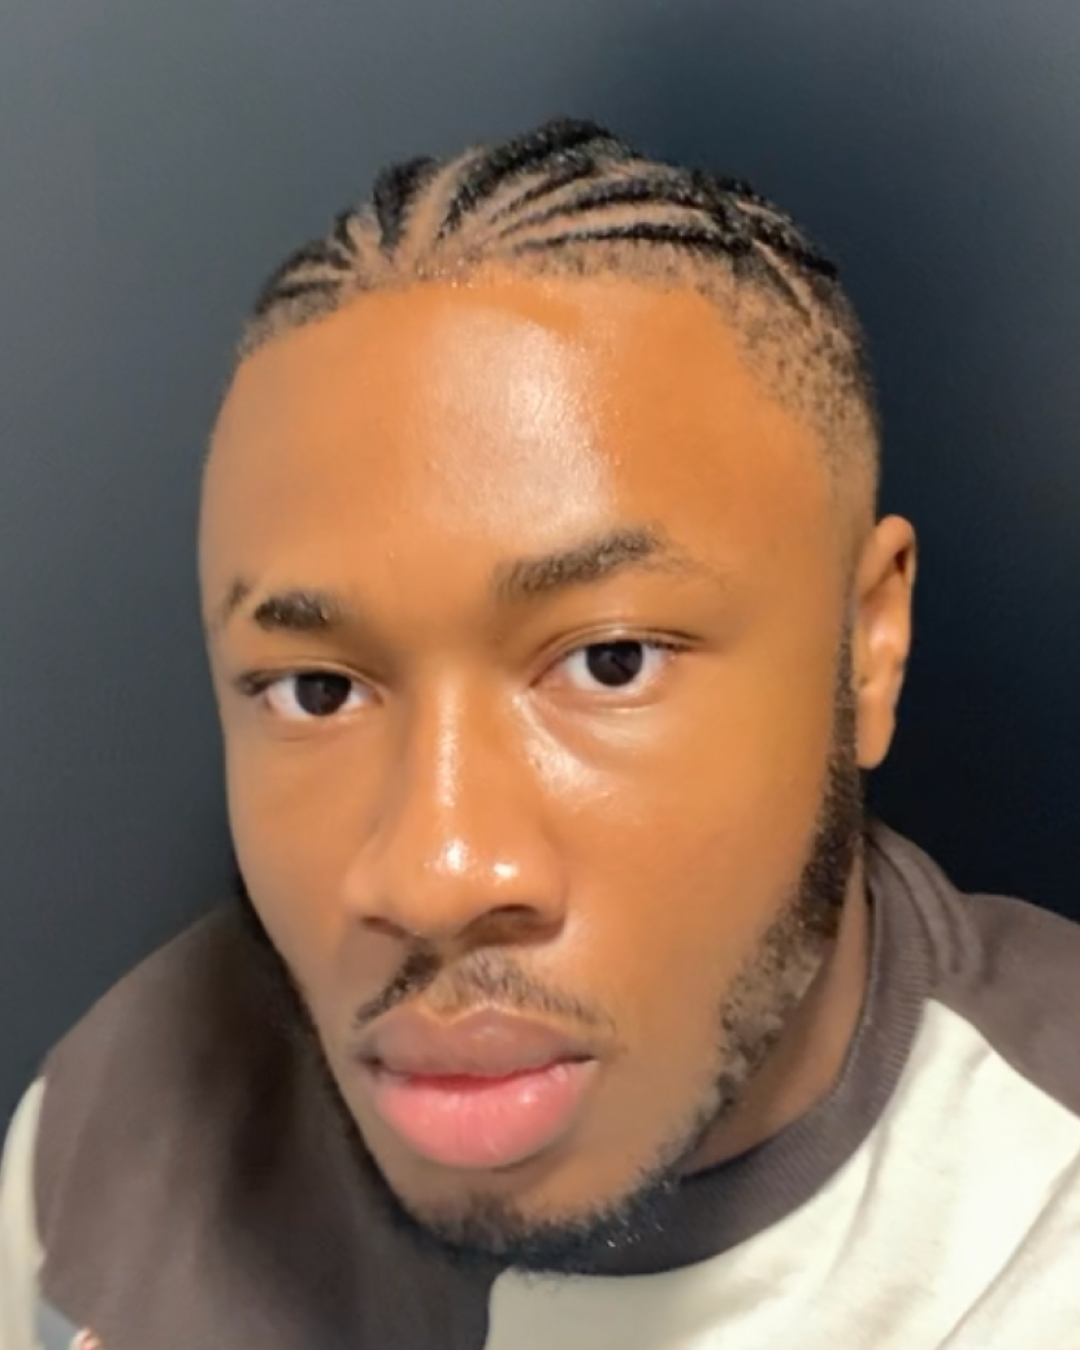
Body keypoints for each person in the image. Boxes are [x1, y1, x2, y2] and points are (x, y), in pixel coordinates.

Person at [2, 117, 1078, 1350]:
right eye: (316, 690)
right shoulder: (99, 1150)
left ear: (868, 644)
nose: (436, 876)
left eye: (609, 662)